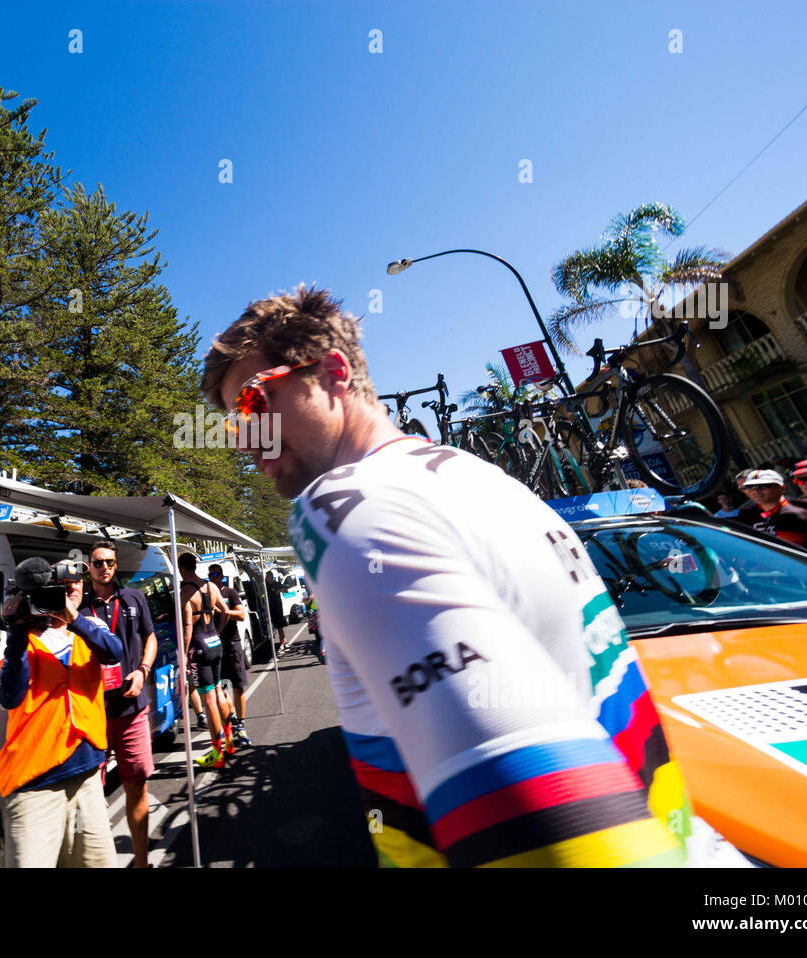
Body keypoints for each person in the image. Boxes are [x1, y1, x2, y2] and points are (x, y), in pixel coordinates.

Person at [200, 284, 705, 868]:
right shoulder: (478, 478)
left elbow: (554, 832)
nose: (248, 439)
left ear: (334, 371)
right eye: (234, 425)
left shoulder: (343, 507)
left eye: (254, 404)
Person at [0, 557, 124, 868]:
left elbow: (114, 652)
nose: (69, 590)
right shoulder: (25, 637)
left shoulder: (90, 628)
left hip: (87, 778)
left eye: (75, 583)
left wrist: (74, 619)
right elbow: (10, 696)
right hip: (34, 784)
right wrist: (16, 633)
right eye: (61, 587)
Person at [86, 540, 159, 868]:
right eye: (99, 562)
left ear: (117, 565)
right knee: (88, 798)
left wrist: (143, 671)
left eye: (111, 563)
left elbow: (150, 636)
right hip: (92, 714)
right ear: (89, 565)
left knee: (136, 786)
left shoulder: (134, 597)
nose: (105, 568)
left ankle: (141, 863)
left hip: (131, 709)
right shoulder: (78, 602)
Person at [178, 552, 233, 769]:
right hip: (214, 643)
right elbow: (226, 611)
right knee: (219, 693)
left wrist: (183, 654)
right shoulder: (211, 586)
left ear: (182, 569)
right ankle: (229, 743)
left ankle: (217, 753)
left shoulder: (186, 592)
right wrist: (217, 631)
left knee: (209, 701)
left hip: (199, 650)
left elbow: (187, 627)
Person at [208, 564, 250, 747]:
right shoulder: (207, 594)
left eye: (215, 574)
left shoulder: (230, 593)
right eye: (210, 574)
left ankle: (240, 724)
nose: (212, 577)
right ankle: (231, 716)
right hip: (215, 647)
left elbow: (241, 616)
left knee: (238, 686)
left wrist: (223, 611)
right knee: (220, 688)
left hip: (232, 644)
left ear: (222, 576)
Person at [732, 469, 807, 547]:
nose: (753, 491)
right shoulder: (746, 515)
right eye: (746, 487)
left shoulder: (804, 506)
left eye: (761, 485)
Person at [265, 573, 288, 654]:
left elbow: (286, 590)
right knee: (275, 627)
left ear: (271, 577)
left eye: (267, 576)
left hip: (278, 607)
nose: (266, 578)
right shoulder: (265, 585)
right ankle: (284, 640)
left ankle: (282, 643)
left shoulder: (277, 583)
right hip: (270, 608)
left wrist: (280, 590)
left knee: (279, 626)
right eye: (266, 577)